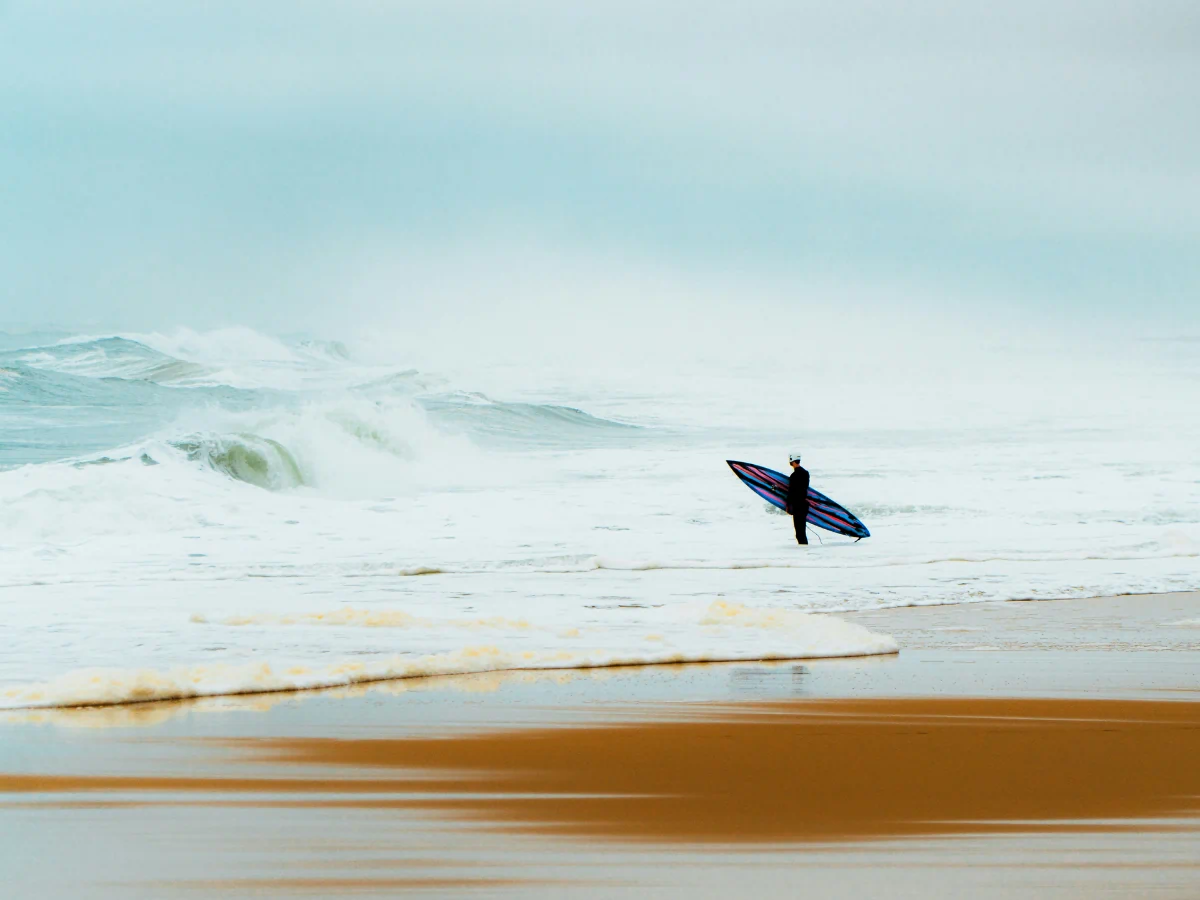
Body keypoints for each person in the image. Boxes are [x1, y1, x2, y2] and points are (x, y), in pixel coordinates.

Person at [784, 451, 810, 545]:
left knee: (799, 533)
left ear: (793, 461)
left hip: (797, 506)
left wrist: (788, 505)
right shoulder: (806, 473)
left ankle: (804, 548)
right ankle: (805, 548)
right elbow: (804, 488)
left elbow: (791, 492)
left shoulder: (794, 476)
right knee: (802, 531)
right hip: (804, 505)